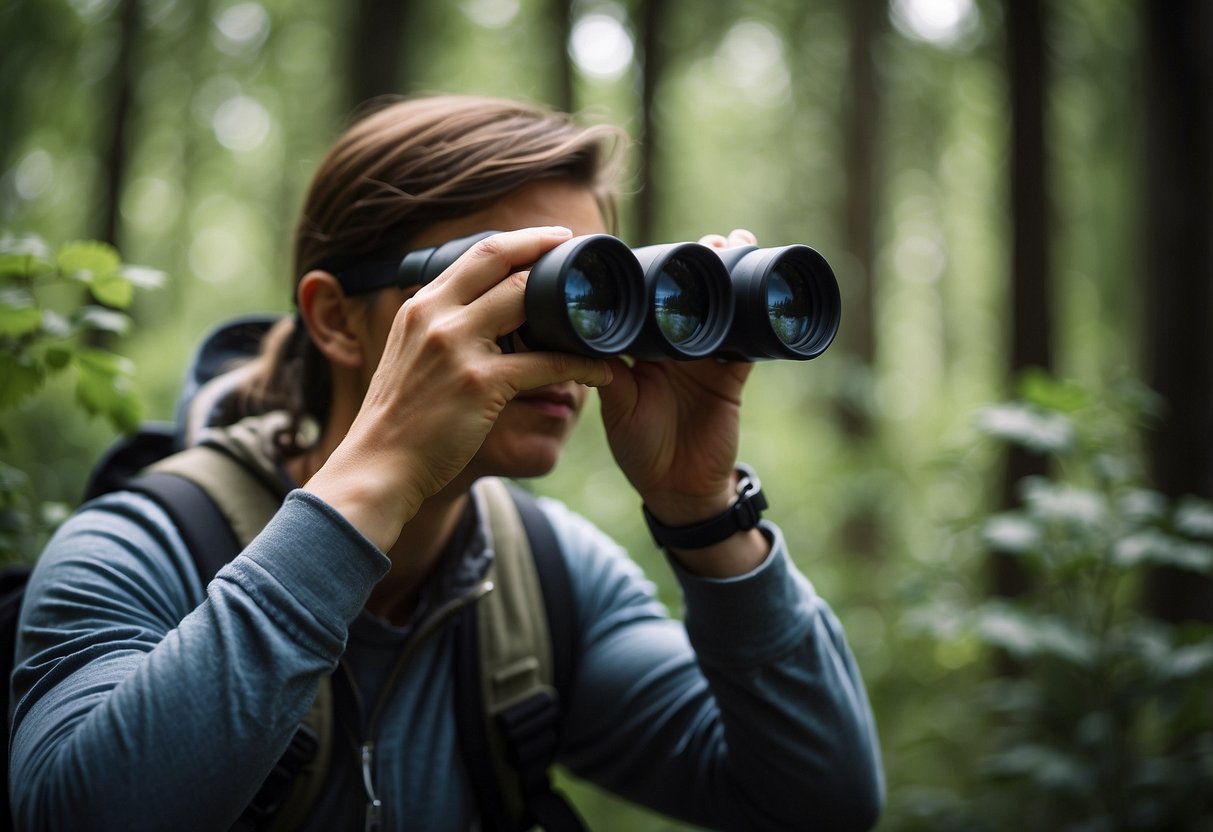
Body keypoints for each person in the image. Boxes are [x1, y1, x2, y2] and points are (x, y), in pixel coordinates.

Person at [9, 94, 884, 830]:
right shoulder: (140, 546)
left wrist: (704, 508)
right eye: (513, 285)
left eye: (595, 286)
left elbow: (819, 801)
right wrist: (376, 479)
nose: (571, 334)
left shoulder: (547, 579)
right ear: (335, 319)